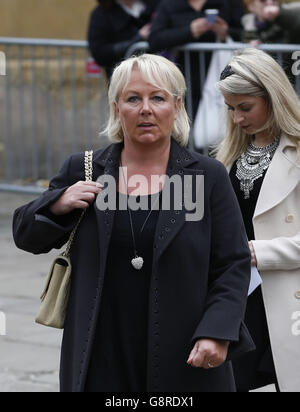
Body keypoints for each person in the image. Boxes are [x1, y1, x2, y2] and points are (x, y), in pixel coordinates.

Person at [13, 53, 254, 392]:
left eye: (157, 97)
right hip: (101, 350)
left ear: (176, 106)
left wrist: (218, 330)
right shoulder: (85, 169)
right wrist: (58, 203)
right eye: (132, 98)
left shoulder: (206, 176)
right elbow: (25, 234)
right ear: (116, 108)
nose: (145, 109)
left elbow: (233, 262)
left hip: (185, 350)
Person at [216, 48, 300, 392]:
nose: (237, 118)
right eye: (230, 109)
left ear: (273, 96)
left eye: (245, 107)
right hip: (238, 295)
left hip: (288, 294)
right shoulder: (224, 155)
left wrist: (257, 252)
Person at [149, 0, 244, 119]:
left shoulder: (227, 4)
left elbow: (245, 35)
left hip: (218, 80)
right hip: (180, 81)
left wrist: (225, 32)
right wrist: (190, 31)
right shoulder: (169, 5)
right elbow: (154, 40)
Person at [87, 0, 160, 79]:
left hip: (158, 75)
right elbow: (100, 53)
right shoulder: (101, 14)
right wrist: (137, 39)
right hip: (122, 78)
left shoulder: (157, 6)